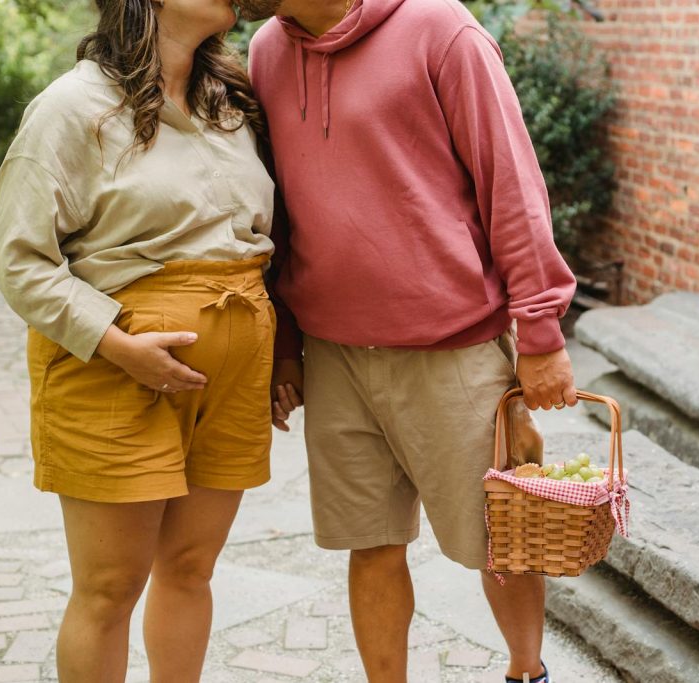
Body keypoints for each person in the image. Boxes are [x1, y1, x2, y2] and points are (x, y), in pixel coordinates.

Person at [245, 0, 578, 681]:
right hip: (333, 353)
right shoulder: (266, 53)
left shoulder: (440, 29)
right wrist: (284, 344)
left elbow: (510, 183)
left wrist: (540, 332)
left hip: (451, 347)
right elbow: (277, 209)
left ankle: (528, 672)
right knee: (369, 544)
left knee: (502, 540)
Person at [0, 0, 299, 679]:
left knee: (190, 568)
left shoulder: (233, 101)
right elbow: (18, 259)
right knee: (108, 590)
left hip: (231, 379)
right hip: (113, 371)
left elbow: (263, 244)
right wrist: (114, 341)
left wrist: (283, 349)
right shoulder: (72, 109)